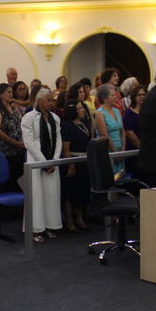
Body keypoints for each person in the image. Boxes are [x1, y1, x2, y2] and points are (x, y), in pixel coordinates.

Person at [21, 89, 62, 242]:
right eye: (48, 100)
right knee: (36, 195)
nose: (52, 103)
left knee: (51, 194)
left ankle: (50, 226)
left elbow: (58, 139)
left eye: (53, 100)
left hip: (52, 158)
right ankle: (36, 229)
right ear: (40, 101)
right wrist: (43, 162)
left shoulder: (55, 118)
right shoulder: (29, 117)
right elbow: (29, 142)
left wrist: (55, 159)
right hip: (36, 158)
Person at [60, 100, 92, 233]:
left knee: (82, 191)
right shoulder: (67, 126)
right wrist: (70, 165)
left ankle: (79, 218)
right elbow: (65, 147)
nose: (83, 110)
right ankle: (69, 220)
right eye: (79, 108)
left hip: (84, 161)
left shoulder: (83, 123)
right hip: (73, 160)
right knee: (70, 192)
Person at [0, 83, 25, 186]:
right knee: (8, 182)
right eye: (8, 92)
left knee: (18, 179)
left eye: (11, 92)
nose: (11, 94)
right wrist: (15, 143)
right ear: (0, 94)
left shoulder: (14, 108)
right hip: (4, 151)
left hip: (18, 150)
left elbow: (22, 125)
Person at [95, 83, 125, 175]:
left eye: (115, 95)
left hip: (120, 149)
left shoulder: (117, 111)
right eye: (112, 95)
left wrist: (123, 151)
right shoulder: (100, 113)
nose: (116, 97)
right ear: (104, 98)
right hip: (108, 150)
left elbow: (123, 132)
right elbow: (104, 135)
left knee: (120, 178)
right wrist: (116, 154)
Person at [122, 84, 146, 176]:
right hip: (134, 150)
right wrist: (142, 147)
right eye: (139, 95)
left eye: (144, 94)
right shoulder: (129, 113)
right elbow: (129, 133)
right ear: (134, 97)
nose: (142, 97)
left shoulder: (147, 111)